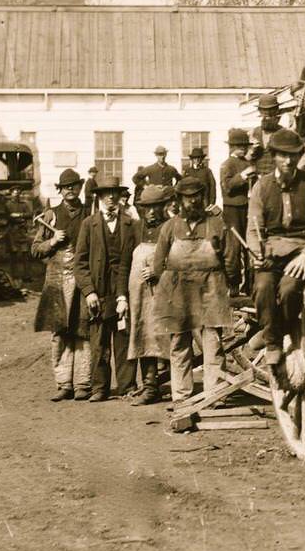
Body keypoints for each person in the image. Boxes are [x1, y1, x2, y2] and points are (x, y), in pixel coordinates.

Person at [247, 129, 305, 365]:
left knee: (288, 289)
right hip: (271, 254)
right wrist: (256, 253)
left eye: (293, 155)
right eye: (283, 155)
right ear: (273, 155)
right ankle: (273, 343)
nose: (288, 160)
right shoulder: (261, 187)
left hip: (303, 252)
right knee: (263, 287)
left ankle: (270, 333)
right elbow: (254, 230)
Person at [150, 176, 232, 407]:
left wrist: (229, 281)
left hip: (211, 287)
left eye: (197, 196)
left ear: (202, 197)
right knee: (178, 342)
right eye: (188, 198)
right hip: (178, 289)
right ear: (180, 200)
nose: (193, 202)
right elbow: (158, 264)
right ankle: (182, 396)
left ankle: (215, 394)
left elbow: (230, 256)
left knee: (213, 342)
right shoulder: (170, 227)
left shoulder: (216, 224)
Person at [74, 173, 138, 402]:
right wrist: (88, 291)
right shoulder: (88, 225)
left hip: (123, 291)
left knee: (123, 340)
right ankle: (99, 387)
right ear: (99, 197)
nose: (111, 198)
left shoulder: (131, 224)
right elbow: (79, 263)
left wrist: (124, 296)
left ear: (120, 196)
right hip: (98, 293)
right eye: (106, 194)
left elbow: (134, 260)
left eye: (114, 193)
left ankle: (127, 386)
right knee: (99, 341)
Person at [32, 168, 92, 400]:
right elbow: (35, 249)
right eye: (65, 186)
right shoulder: (51, 215)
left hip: (82, 279)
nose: (70, 190)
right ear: (60, 189)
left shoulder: (89, 213)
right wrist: (52, 241)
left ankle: (82, 384)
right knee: (59, 332)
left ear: (79, 187)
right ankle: (63, 383)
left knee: (82, 330)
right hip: (57, 280)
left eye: (74, 185)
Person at [127, 184, 172, 405]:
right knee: (144, 336)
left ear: (164, 206)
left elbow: (181, 258)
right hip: (139, 296)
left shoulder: (171, 227)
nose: (152, 212)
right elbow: (124, 263)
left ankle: (176, 385)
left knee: (169, 336)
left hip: (166, 293)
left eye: (156, 207)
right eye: (147, 208)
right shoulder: (136, 229)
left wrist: (158, 269)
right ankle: (150, 386)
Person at [219, 128, 255, 295]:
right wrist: (243, 176)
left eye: (244, 146)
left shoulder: (248, 163)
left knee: (250, 246)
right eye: (240, 146)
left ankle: (249, 284)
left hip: (248, 208)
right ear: (232, 147)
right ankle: (233, 285)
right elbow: (227, 187)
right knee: (233, 248)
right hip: (232, 210)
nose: (243, 149)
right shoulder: (227, 164)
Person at [249, 93, 284, 180]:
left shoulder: (283, 133)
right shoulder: (253, 133)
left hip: (276, 180)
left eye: (270, 112)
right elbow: (245, 160)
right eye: (264, 112)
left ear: (276, 112)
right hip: (256, 180)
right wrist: (251, 151)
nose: (266, 116)